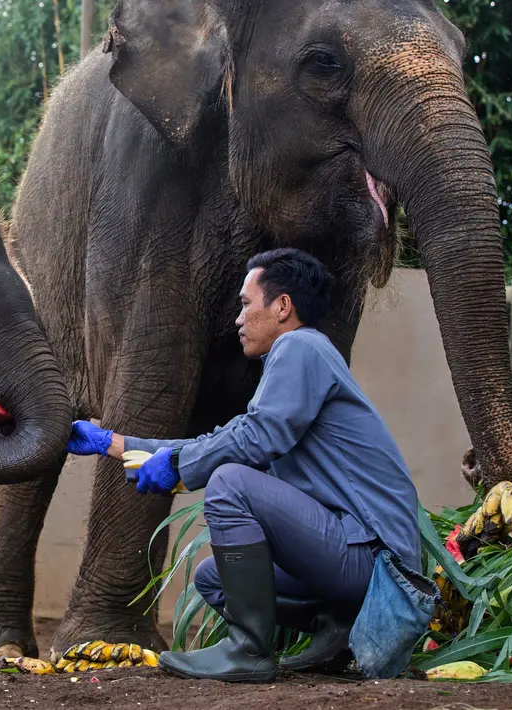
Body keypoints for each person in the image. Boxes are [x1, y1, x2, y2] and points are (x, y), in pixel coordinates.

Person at [66, 247, 424, 682]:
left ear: (282, 307)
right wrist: (111, 443)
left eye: (245, 303)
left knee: (231, 483)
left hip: (377, 565)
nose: (237, 318)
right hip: (354, 560)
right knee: (213, 578)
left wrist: (179, 469)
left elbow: (255, 437)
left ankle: (248, 650)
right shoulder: (301, 358)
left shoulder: (301, 346)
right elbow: (223, 439)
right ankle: (338, 628)